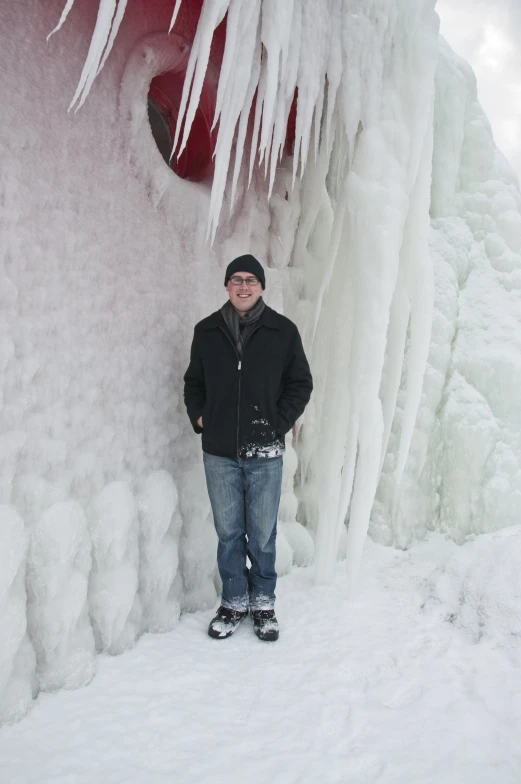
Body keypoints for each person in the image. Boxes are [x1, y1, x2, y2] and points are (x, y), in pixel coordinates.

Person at [183, 254, 313, 642]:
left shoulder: (283, 331)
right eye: (236, 279)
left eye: (250, 280)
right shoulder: (206, 331)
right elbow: (194, 383)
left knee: (262, 534)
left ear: (261, 287)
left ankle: (263, 604)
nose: (243, 286)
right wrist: (201, 418)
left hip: (265, 452)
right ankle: (234, 601)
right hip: (219, 452)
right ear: (226, 286)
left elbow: (300, 384)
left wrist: (277, 423)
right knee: (228, 533)